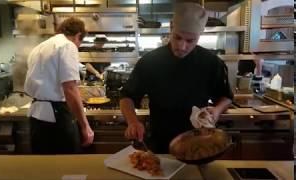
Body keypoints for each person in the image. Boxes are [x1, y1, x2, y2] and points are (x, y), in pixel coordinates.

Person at [120, 2, 233, 153]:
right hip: (160, 144)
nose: (182, 46)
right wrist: (133, 122)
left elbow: (226, 97)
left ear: (200, 35)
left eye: (190, 41)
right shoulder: (150, 61)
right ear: (171, 27)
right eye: (178, 37)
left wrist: (217, 110)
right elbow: (126, 96)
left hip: (199, 143)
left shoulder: (211, 63)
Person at [24, 17, 94, 154]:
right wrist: (85, 126)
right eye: (80, 42)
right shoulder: (67, 45)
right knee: (68, 167)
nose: (78, 47)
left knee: (44, 167)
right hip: (57, 116)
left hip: (36, 116)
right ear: (78, 35)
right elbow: (70, 89)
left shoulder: (38, 48)